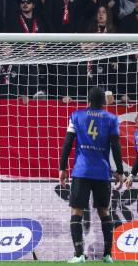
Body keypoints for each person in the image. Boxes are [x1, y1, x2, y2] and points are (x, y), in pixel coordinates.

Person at [59, 87, 126, 263]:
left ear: (88, 101)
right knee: (105, 211)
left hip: (81, 171)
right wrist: (120, 171)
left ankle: (79, 254)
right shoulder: (111, 119)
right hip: (102, 172)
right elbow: (116, 147)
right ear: (104, 103)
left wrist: (62, 168)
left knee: (77, 211)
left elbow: (67, 143)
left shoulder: (76, 116)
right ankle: (108, 255)